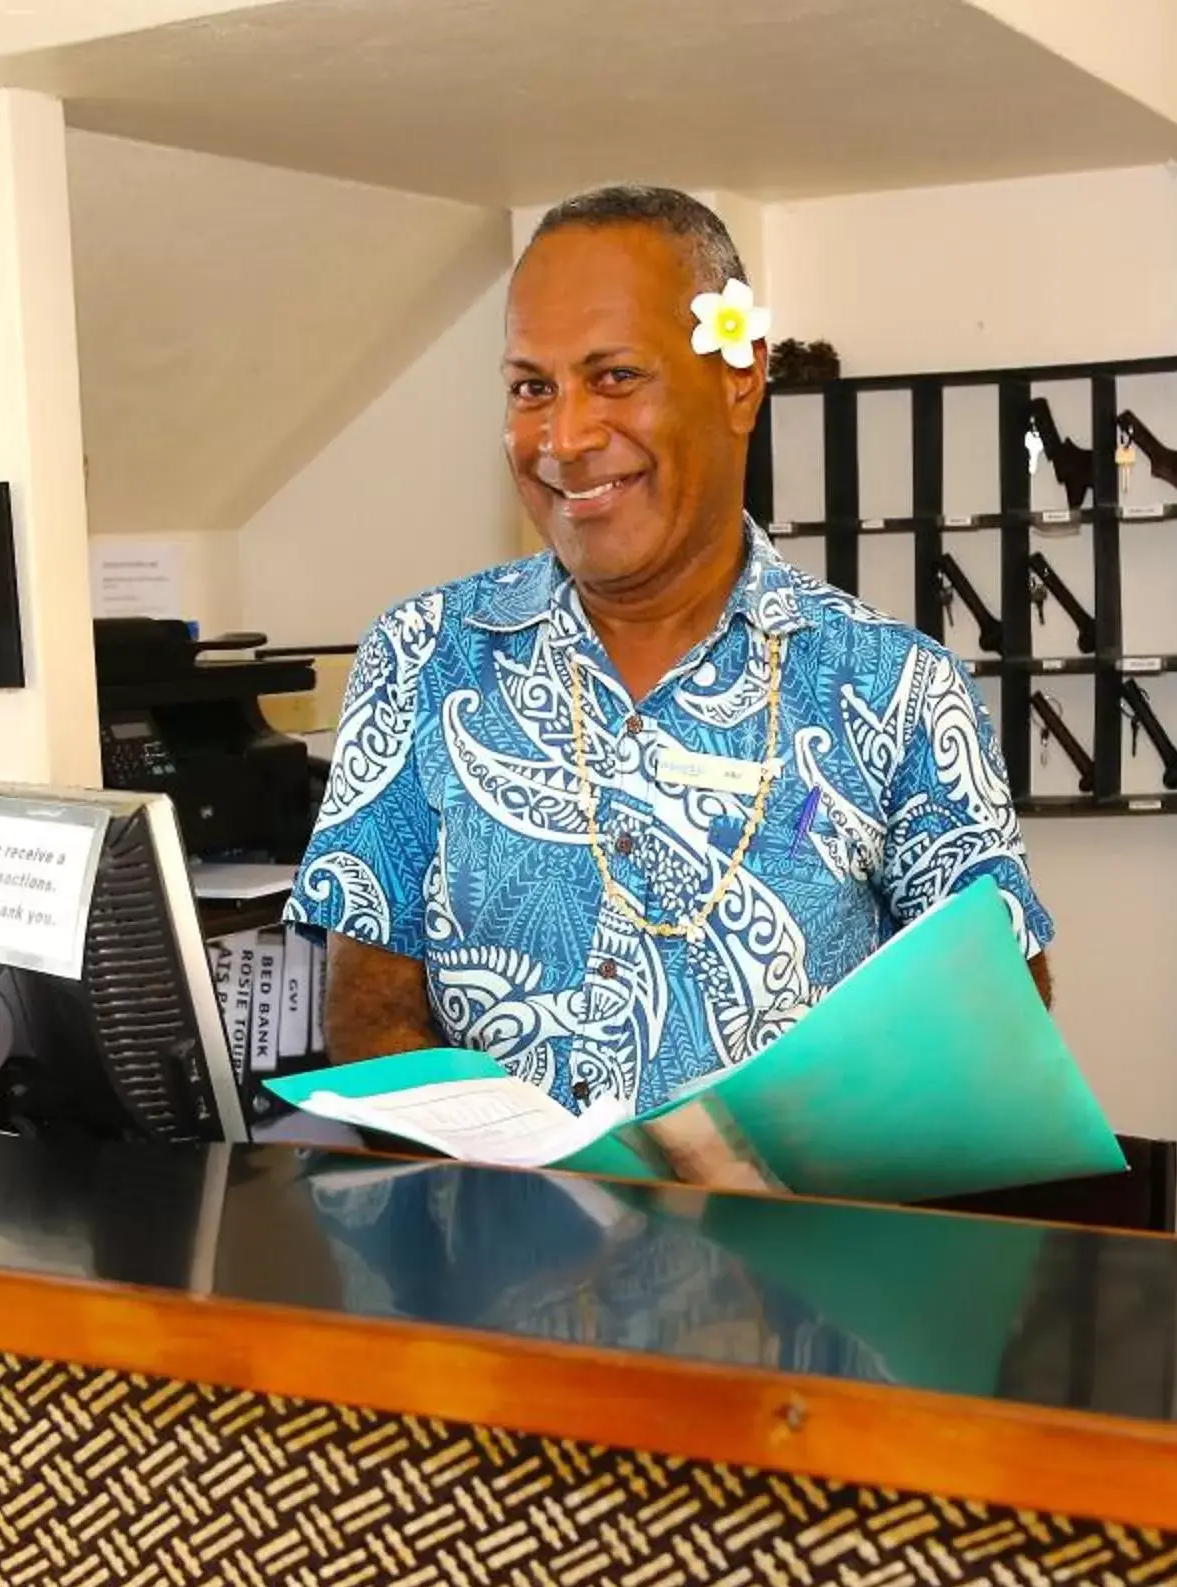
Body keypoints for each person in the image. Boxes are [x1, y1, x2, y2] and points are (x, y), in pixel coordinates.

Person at [287, 185, 1052, 1123]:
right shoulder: (421, 655)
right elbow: (370, 1006)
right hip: (497, 1254)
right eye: (533, 388)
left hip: (791, 1259)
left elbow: (996, 1024)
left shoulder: (894, 685)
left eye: (614, 377)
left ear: (739, 380)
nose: (564, 438)